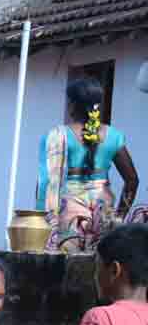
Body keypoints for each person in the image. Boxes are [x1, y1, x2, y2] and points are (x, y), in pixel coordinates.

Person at [39, 78, 139, 243]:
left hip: (69, 215)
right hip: (104, 213)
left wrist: (43, 224)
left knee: (70, 265)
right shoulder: (114, 136)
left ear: (73, 104)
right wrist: (119, 217)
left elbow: (46, 183)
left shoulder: (58, 135)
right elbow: (132, 181)